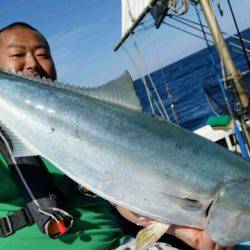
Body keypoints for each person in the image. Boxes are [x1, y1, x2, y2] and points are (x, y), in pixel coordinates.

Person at [0, 22, 233, 250]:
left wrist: (186, 234)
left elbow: (127, 196)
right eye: (18, 54)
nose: (32, 62)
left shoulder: (91, 125)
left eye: (43, 54)